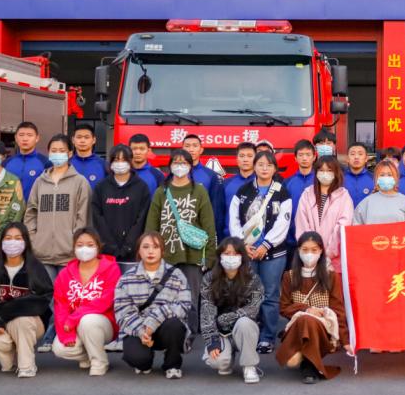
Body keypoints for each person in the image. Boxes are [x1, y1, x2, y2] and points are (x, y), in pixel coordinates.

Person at [145, 148, 218, 336]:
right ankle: (169, 334)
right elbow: (152, 226)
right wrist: (149, 252)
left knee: (191, 298)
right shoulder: (162, 192)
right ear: (169, 166)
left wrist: (209, 257)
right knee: (165, 297)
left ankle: (189, 336)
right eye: (176, 163)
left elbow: (209, 226)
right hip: (166, 254)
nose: (180, 166)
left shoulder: (199, 191)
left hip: (193, 255)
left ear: (190, 166)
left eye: (184, 163)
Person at [229, 150, 293, 354]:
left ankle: (267, 337)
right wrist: (242, 244)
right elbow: (234, 220)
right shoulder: (243, 191)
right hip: (247, 251)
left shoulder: (282, 192)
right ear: (254, 166)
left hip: (273, 253)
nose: (264, 168)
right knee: (248, 294)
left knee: (270, 294)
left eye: (269, 165)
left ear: (275, 169)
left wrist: (266, 244)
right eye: (261, 164)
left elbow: (283, 222)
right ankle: (249, 335)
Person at [0, 222, 52, 378]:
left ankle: (26, 366)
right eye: (8, 238)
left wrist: (9, 311)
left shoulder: (35, 268)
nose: (12, 242)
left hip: (31, 324)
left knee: (21, 321)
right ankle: (12, 361)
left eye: (18, 238)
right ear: (1, 242)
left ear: (25, 242)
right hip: (0, 323)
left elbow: (44, 297)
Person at [114, 231, 193, 379]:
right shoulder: (126, 278)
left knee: (175, 325)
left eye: (155, 247)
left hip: (165, 327)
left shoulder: (176, 275)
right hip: (138, 328)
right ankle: (145, 360)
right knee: (139, 360)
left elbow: (184, 305)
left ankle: (172, 364)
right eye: (146, 247)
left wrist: (155, 320)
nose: (150, 251)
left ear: (162, 251)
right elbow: (122, 312)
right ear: (139, 251)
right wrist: (142, 331)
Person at [275, 232, 350, 384]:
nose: (309, 254)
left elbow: (338, 309)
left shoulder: (331, 276)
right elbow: (284, 307)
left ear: (321, 251)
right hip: (297, 328)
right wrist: (306, 309)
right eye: (305, 250)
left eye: (314, 250)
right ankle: (309, 362)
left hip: (323, 329)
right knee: (304, 322)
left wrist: (345, 340)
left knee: (308, 321)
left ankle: (308, 366)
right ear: (298, 251)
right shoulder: (289, 276)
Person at [51, 228, 121, 376]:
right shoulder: (64, 274)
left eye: (90, 245)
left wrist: (74, 318)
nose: (85, 249)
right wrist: (67, 335)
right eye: (80, 245)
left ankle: (99, 362)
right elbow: (60, 305)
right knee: (59, 349)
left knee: (87, 320)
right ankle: (89, 355)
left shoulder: (111, 269)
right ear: (74, 247)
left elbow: (106, 300)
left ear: (98, 247)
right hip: (73, 324)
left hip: (102, 323)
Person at [25, 134, 91, 274]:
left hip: (70, 255)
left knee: (65, 289)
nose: (57, 154)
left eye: (62, 151)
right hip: (42, 254)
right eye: (54, 151)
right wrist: (34, 240)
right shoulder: (40, 182)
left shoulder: (80, 182)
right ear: (48, 153)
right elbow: (31, 213)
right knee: (44, 288)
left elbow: (83, 217)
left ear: (70, 153)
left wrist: (75, 242)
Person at [201, 237, 264, 383]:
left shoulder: (253, 279)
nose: (231, 257)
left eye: (235, 253)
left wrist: (227, 318)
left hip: (245, 329)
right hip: (220, 331)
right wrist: (212, 340)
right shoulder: (209, 279)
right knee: (218, 362)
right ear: (220, 256)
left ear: (242, 256)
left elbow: (253, 309)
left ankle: (249, 366)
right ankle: (227, 358)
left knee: (244, 323)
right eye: (227, 253)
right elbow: (206, 310)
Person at [90, 144, 152, 273]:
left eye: (124, 160)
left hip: (133, 251)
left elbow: (142, 218)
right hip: (106, 251)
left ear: (130, 161)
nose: (120, 163)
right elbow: (97, 216)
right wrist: (109, 244)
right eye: (116, 160)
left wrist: (129, 245)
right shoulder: (101, 187)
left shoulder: (141, 187)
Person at [295, 156, 354, 273]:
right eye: (321, 170)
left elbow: (342, 226)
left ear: (336, 173)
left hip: (334, 259)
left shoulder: (343, 196)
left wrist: (327, 254)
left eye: (329, 170)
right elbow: (302, 223)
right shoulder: (307, 194)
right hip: (309, 257)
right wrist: (312, 250)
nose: (325, 174)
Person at [183, 134, 226, 241]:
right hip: (178, 228)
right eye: (187, 146)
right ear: (182, 149)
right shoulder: (175, 174)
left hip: (202, 231)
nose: (191, 149)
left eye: (195, 146)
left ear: (201, 150)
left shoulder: (211, 176)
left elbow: (216, 208)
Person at [354, 159, 405, 225]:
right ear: (376, 178)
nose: (386, 177)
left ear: (396, 178)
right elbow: (356, 226)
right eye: (382, 175)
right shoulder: (367, 202)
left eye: (390, 175)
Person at [285, 140, 317, 257]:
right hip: (291, 238)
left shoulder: (319, 181)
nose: (304, 158)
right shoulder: (288, 182)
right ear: (295, 158)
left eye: (308, 155)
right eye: (301, 155)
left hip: (315, 238)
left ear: (314, 157)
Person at [4, 121, 51, 200]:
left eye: (29, 135)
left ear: (37, 138)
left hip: (36, 207)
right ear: (16, 138)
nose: (25, 139)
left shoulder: (46, 162)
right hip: (10, 207)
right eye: (21, 135)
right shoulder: (6, 163)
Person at [222, 142, 257, 239]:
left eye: (249, 156)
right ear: (237, 159)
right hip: (230, 238)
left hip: (256, 238)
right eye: (241, 156)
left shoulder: (262, 182)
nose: (245, 159)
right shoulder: (226, 184)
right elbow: (220, 213)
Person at [70, 124, 106, 188]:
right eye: (79, 137)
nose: (82, 141)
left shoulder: (104, 164)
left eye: (86, 137)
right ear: (73, 140)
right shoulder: (67, 164)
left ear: (94, 140)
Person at [343, 142, 374, 206]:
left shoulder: (374, 178)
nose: (356, 157)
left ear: (366, 158)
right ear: (347, 159)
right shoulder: (340, 178)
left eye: (360, 154)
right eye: (352, 154)